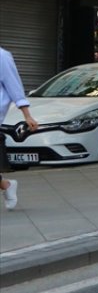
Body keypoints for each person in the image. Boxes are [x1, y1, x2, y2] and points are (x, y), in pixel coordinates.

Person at [1, 46, 39, 210]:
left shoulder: (2, 56)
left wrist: (27, 115)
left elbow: (13, 84)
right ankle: (6, 185)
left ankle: (6, 185)